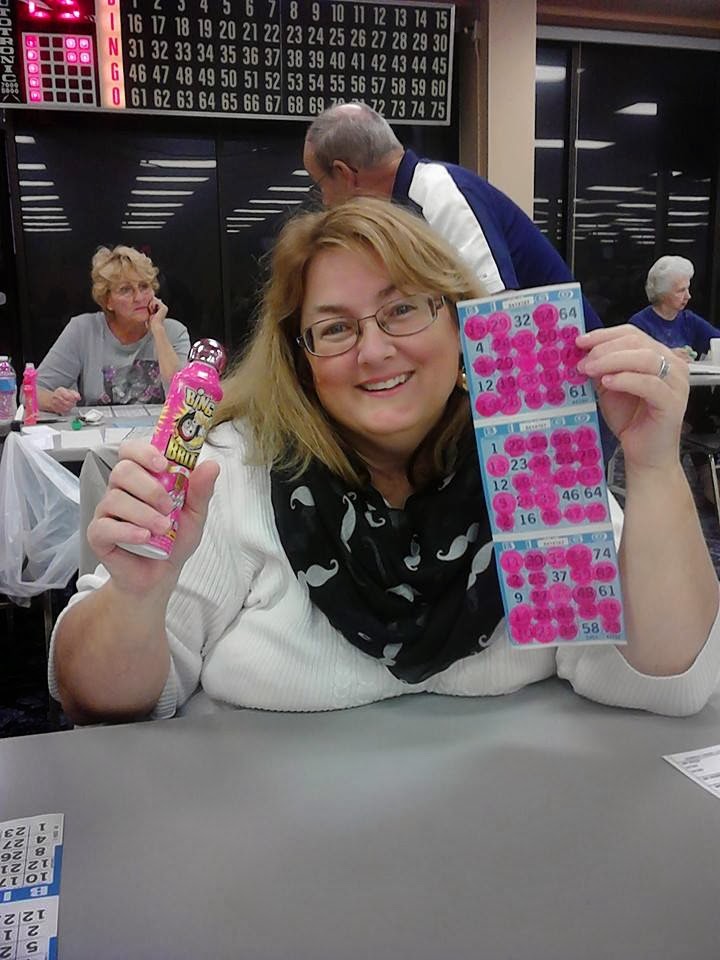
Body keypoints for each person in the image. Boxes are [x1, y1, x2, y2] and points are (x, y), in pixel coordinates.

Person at [50, 198, 720, 725]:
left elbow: (668, 680)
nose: (373, 351)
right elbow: (99, 700)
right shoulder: (232, 474)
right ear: (302, 360)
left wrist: (654, 467)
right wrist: (137, 598)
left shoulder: (531, 456)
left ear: (460, 323)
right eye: (336, 327)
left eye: (402, 309)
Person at [303, 102, 603, 330]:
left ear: (344, 174)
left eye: (321, 185)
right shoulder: (405, 206)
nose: (325, 201)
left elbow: (493, 312)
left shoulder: (439, 192)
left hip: (564, 369)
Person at [36, 245, 190, 414]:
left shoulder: (174, 332)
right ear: (108, 301)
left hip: (157, 429)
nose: (139, 297)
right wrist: (54, 401)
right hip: (98, 429)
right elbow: (32, 391)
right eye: (126, 290)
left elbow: (183, 396)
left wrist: (159, 330)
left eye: (144, 286)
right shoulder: (83, 329)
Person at [628, 256, 719, 362]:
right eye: (681, 291)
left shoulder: (689, 320)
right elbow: (632, 359)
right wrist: (666, 355)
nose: (688, 296)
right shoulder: (639, 324)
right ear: (662, 293)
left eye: (688, 289)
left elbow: (717, 340)